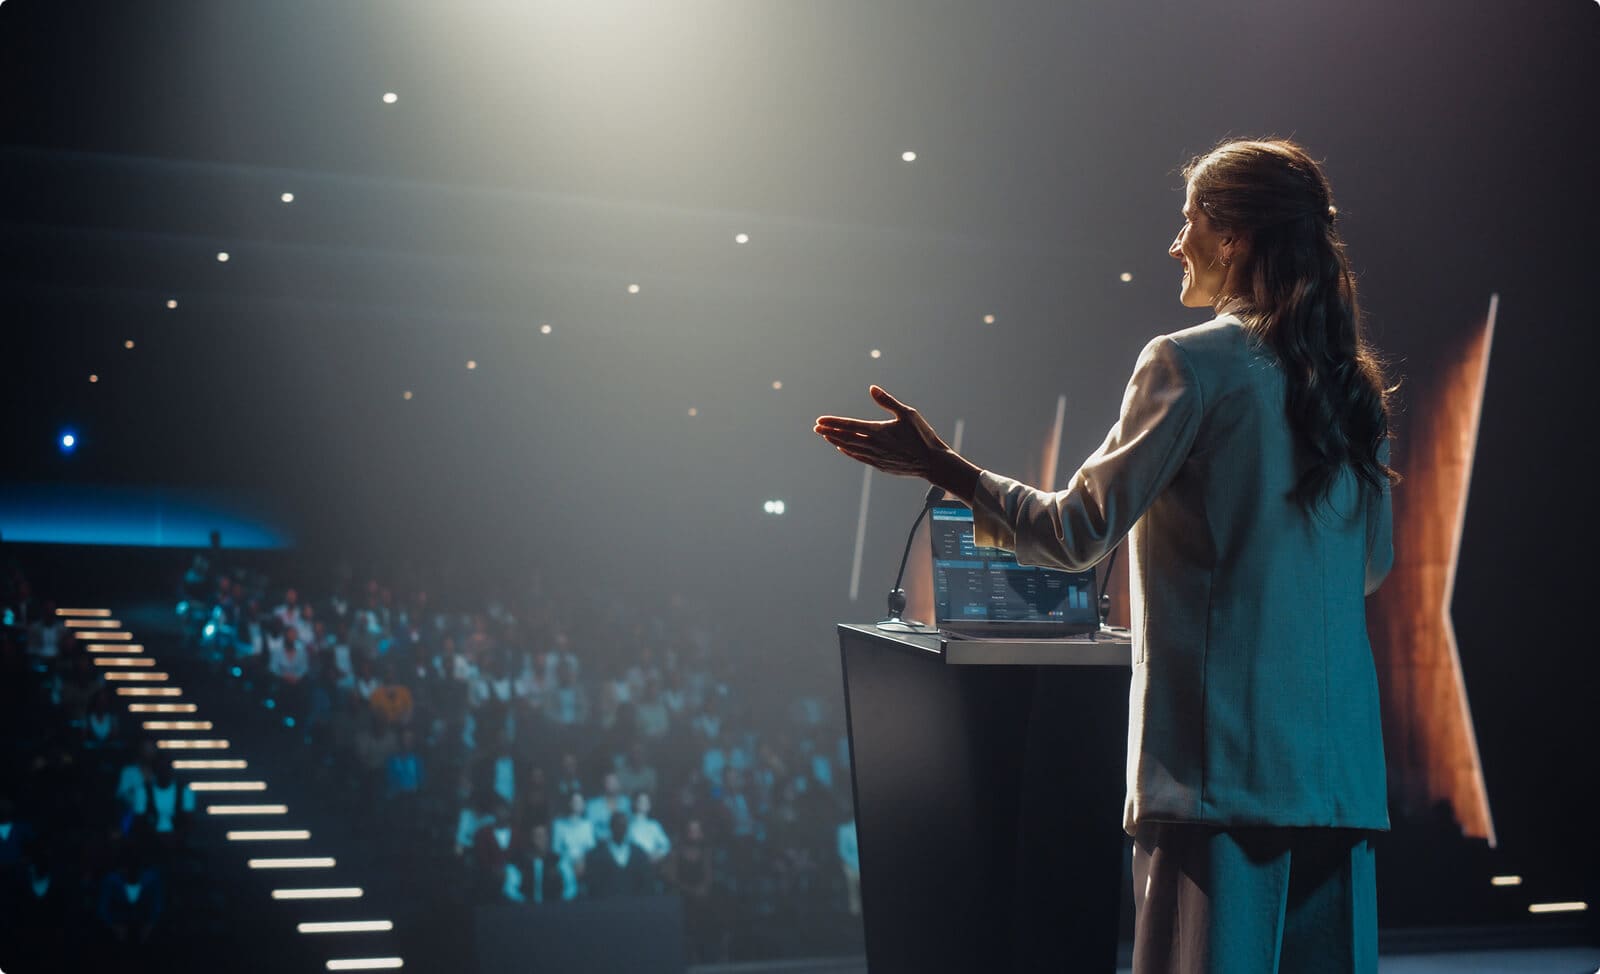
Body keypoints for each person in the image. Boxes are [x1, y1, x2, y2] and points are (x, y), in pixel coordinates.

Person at [815, 137, 1397, 974]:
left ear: (1232, 236)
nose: (1175, 240)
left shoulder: (1190, 364)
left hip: (1218, 778)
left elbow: (1076, 531)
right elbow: (1366, 568)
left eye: (1190, 216)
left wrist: (942, 465)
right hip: (1338, 779)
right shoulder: (1350, 385)